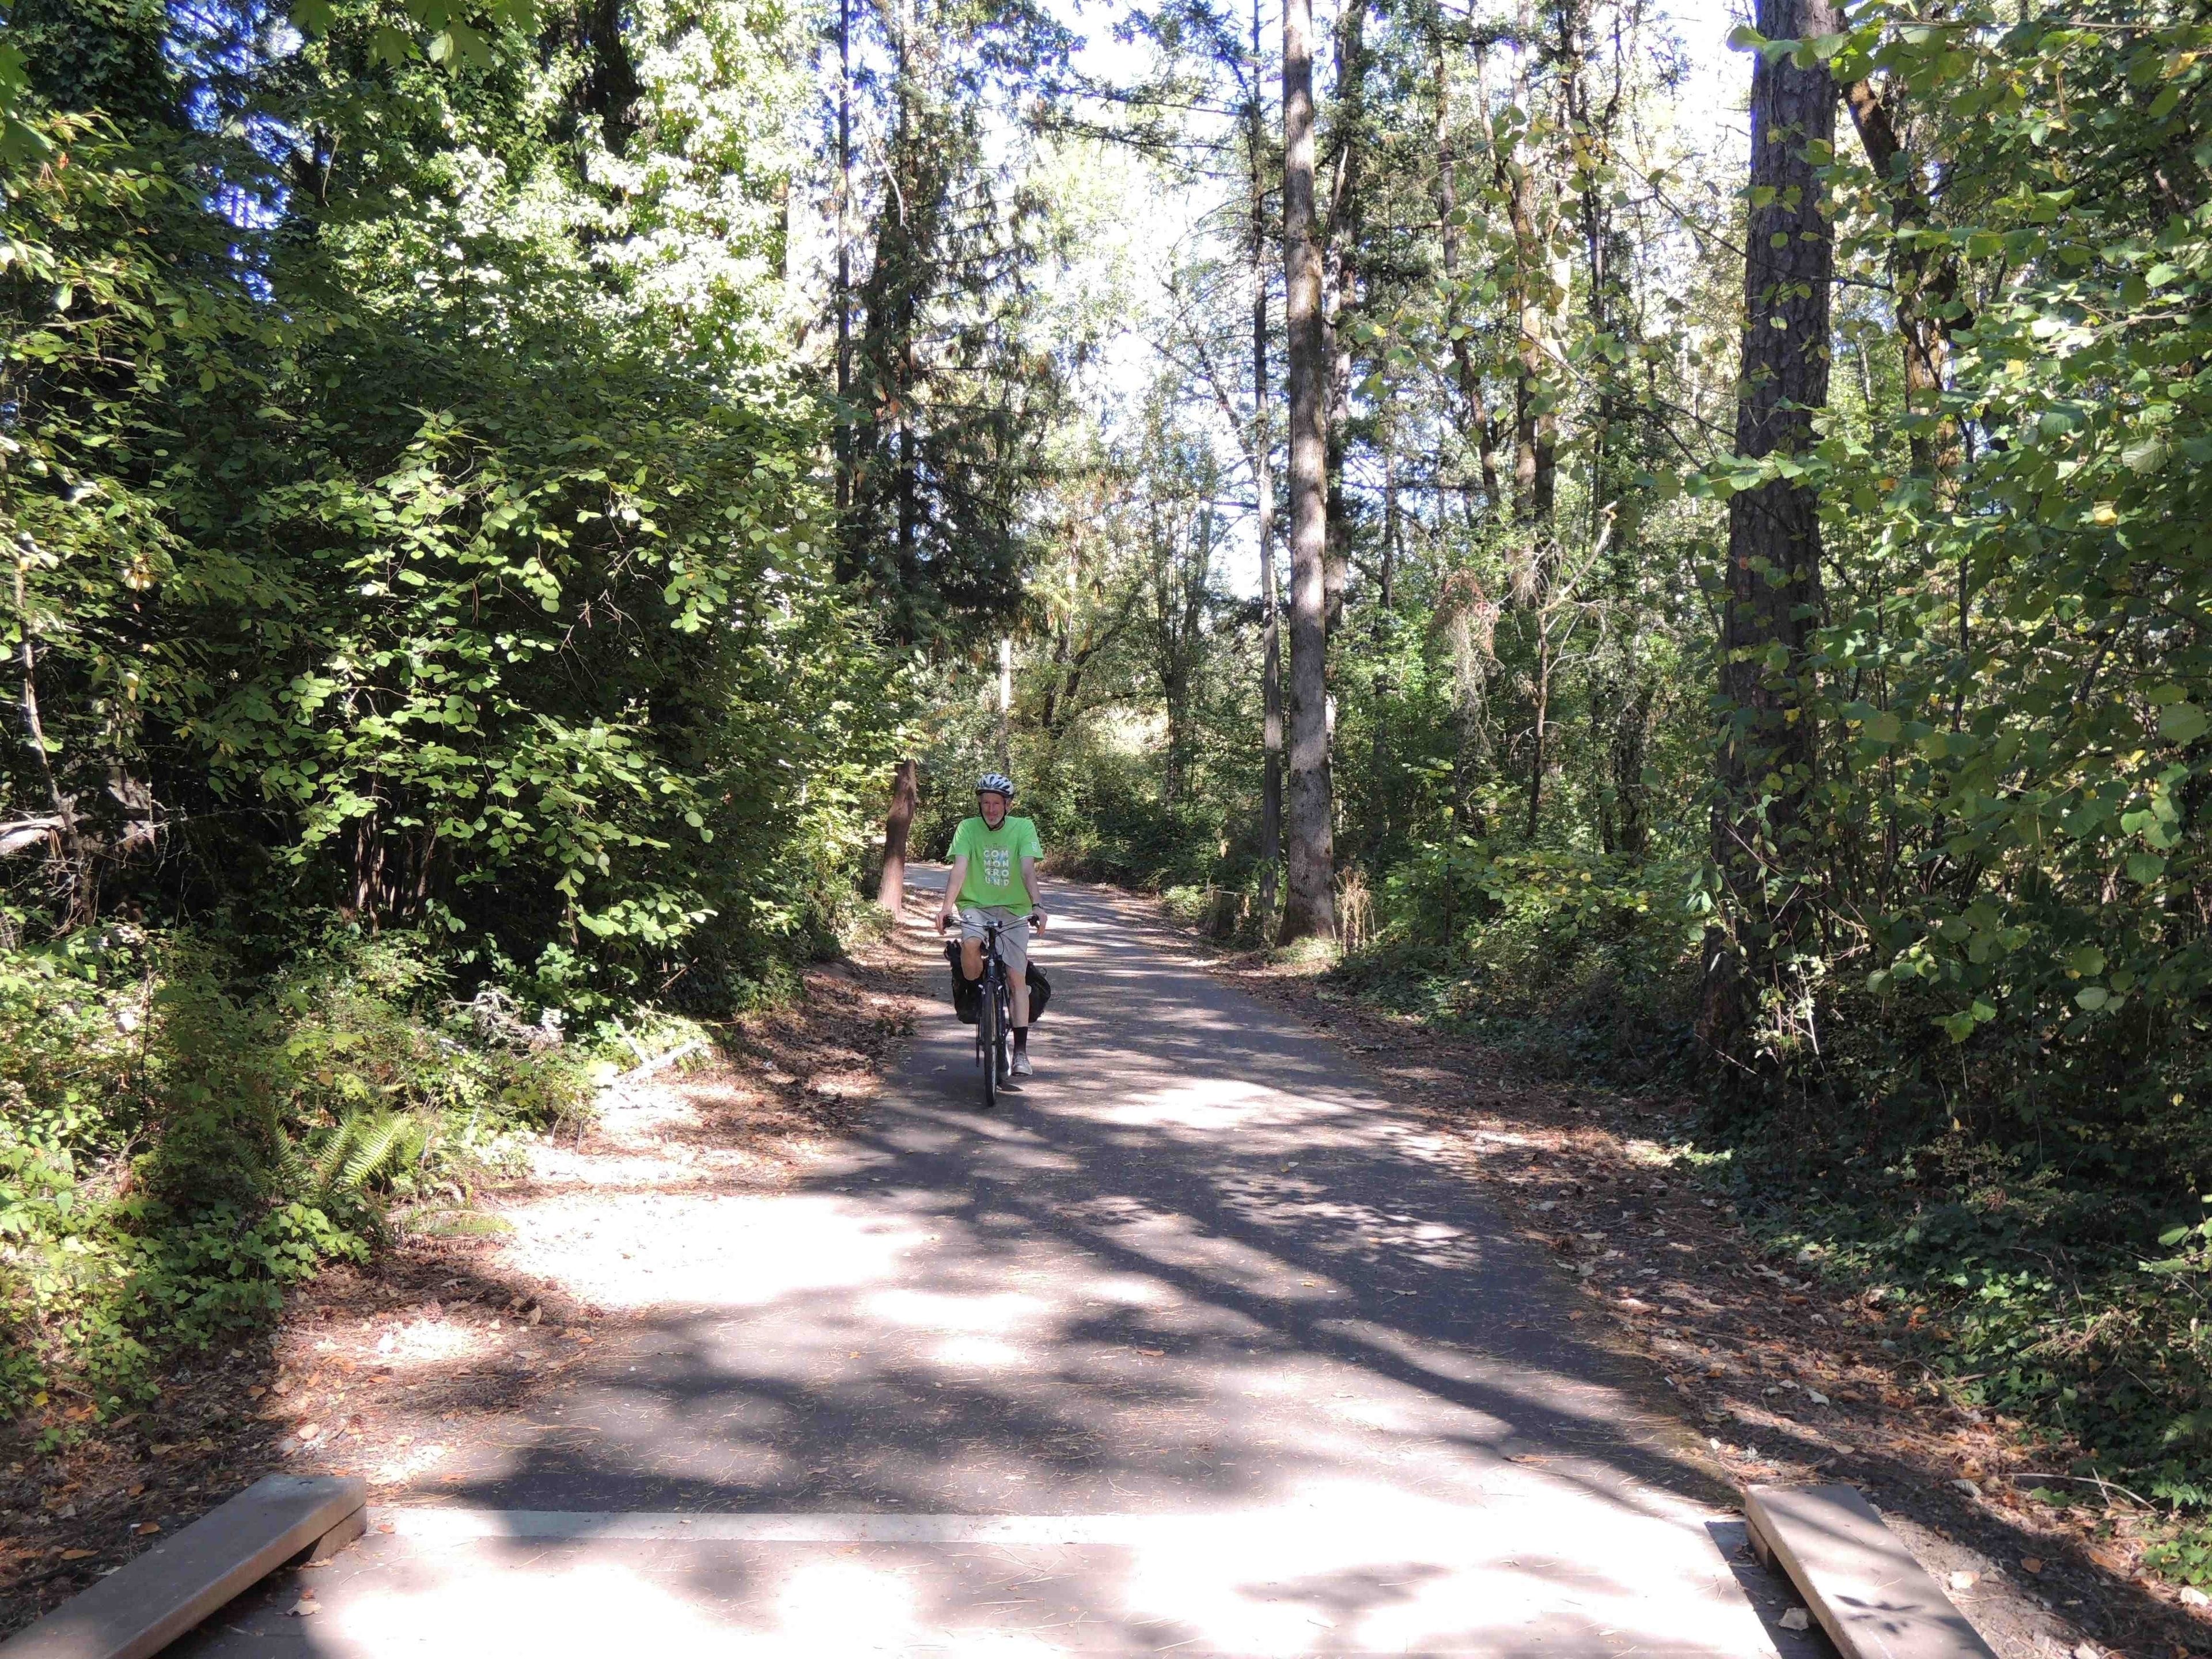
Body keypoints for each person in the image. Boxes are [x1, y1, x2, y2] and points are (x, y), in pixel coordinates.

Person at [936, 772, 1046, 1076]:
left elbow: (1027, 870)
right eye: (986, 803)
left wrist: (1037, 905)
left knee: (1016, 979)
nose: (991, 809)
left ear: (1007, 805)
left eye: (997, 803)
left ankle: (1021, 1052)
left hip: (1014, 909)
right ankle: (977, 988)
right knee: (970, 946)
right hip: (975, 906)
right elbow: (959, 869)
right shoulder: (967, 829)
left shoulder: (1023, 828)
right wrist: (946, 908)